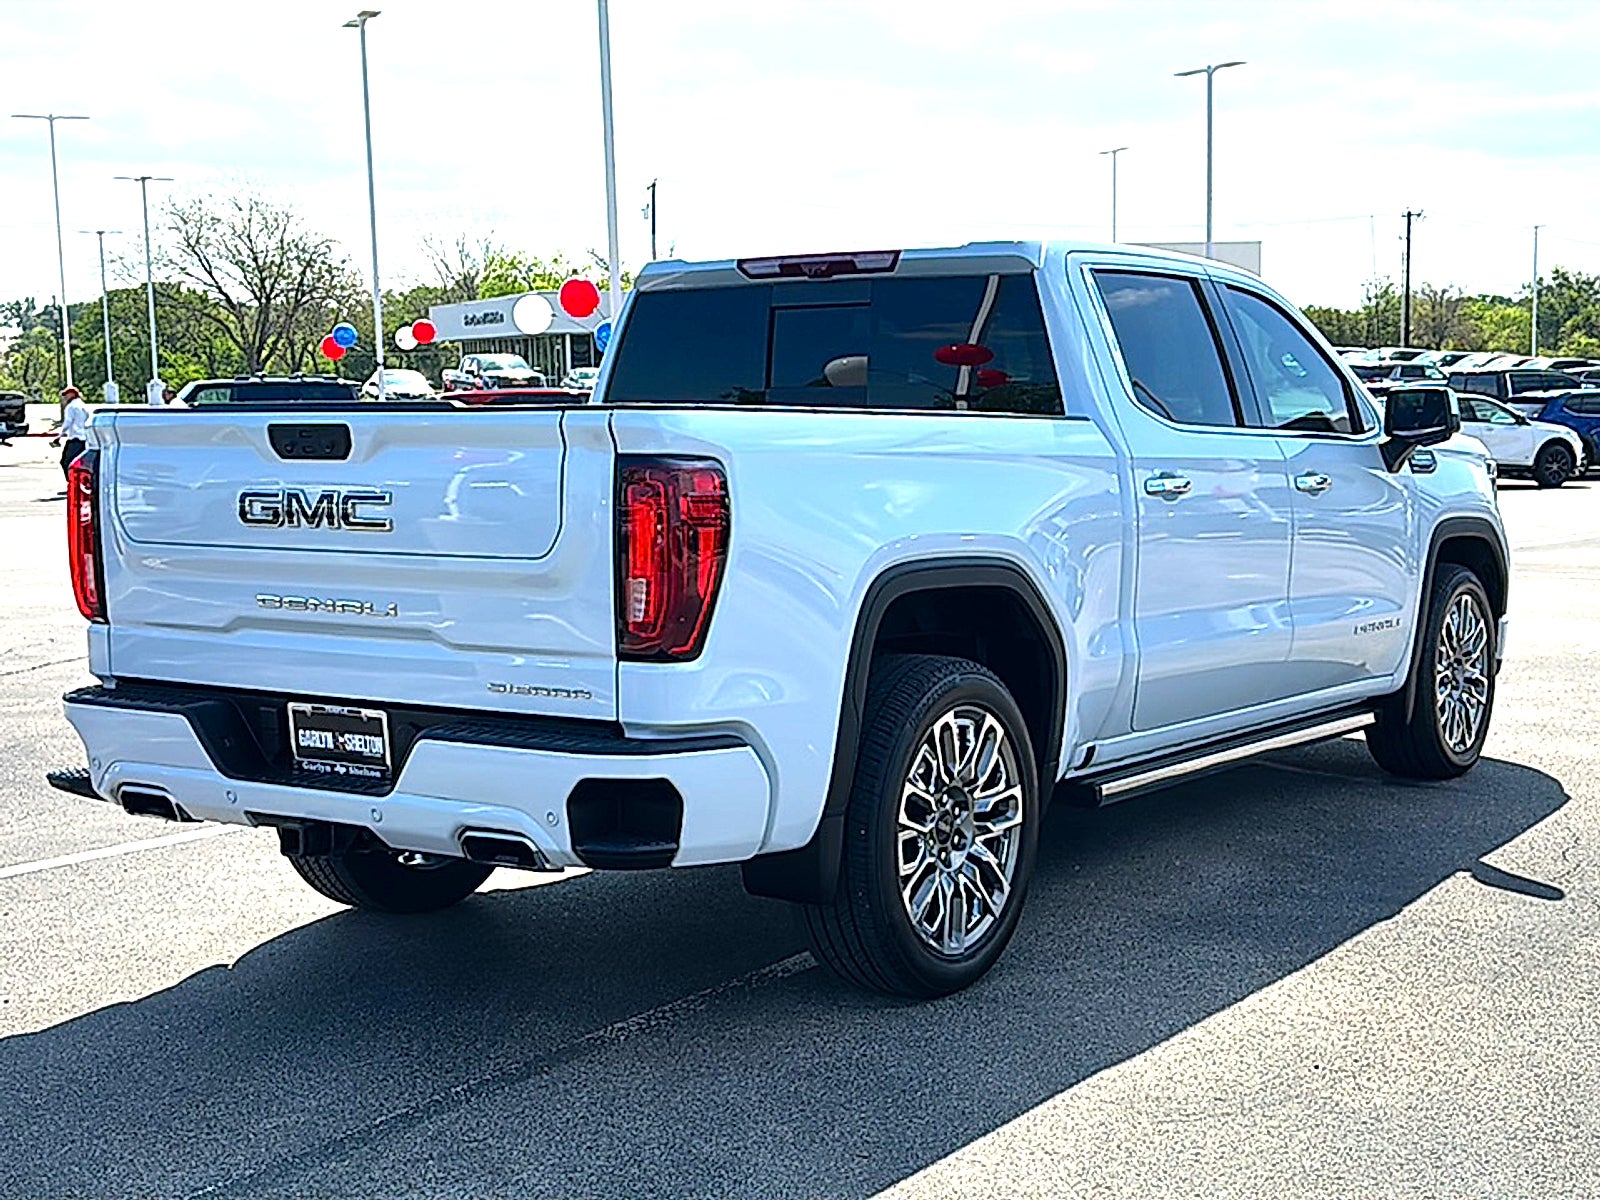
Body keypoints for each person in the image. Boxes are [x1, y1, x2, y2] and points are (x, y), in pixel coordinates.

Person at [55, 386, 90, 478]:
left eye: (66, 395)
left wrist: (59, 436)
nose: (65, 397)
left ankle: (72, 482)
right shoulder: (83, 405)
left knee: (66, 462)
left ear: (72, 394)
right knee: (81, 463)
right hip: (84, 438)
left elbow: (68, 422)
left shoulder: (71, 407)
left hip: (75, 438)